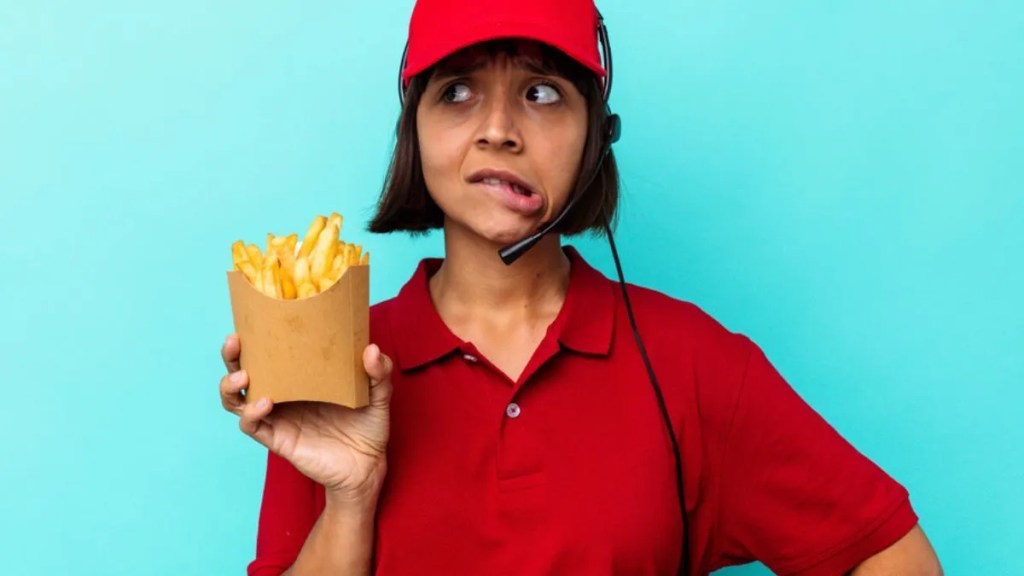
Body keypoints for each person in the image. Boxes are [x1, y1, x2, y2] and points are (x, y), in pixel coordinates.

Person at [219, 1, 944, 574]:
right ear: (416, 131)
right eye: (458, 91)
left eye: (541, 92)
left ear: (597, 136)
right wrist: (349, 500)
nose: (498, 130)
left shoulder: (691, 362)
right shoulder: (338, 355)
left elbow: (895, 557)